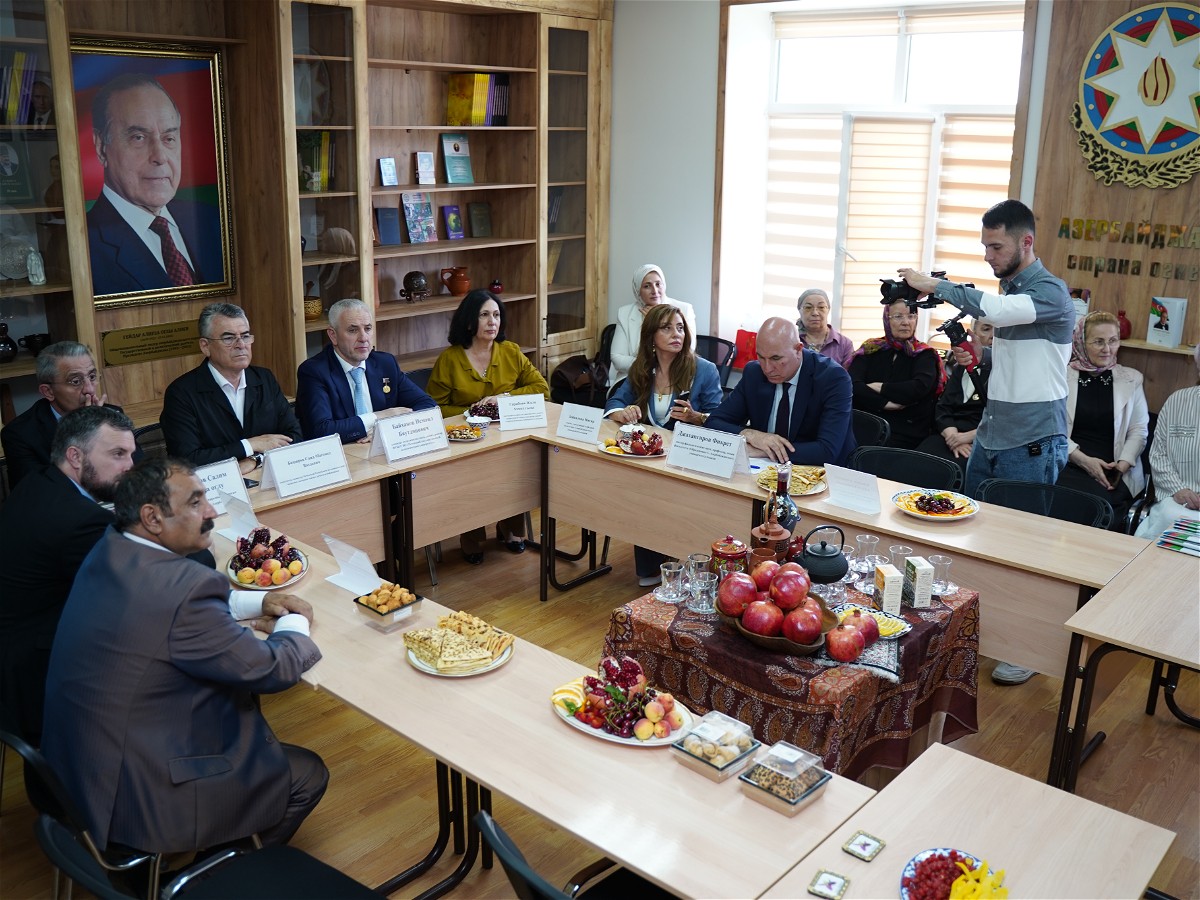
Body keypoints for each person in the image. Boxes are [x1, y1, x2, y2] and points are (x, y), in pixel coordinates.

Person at [41, 458, 327, 854]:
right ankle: (208, 879)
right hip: (139, 793)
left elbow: (169, 609)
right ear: (153, 518)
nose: (210, 512)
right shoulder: (185, 588)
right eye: (196, 503)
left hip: (82, 768)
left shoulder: (111, 548)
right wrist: (294, 621)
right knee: (306, 774)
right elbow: (271, 671)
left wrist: (254, 602)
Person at [899, 198, 1074, 687]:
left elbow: (995, 308)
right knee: (973, 542)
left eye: (995, 246)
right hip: (994, 437)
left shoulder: (1051, 293)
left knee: (1024, 552)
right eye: (985, 246)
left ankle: (1028, 647)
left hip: (1034, 441)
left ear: (1026, 242)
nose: (988, 255)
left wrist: (936, 286)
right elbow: (1017, 368)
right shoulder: (1013, 289)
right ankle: (973, 635)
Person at [0, 406, 136, 744]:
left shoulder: (39, 482)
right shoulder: (79, 521)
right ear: (75, 456)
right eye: (118, 454)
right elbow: (138, 591)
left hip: (17, 654)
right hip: (44, 683)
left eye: (131, 454)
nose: (130, 467)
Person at [604, 304, 724, 585]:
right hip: (650, 460)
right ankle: (651, 566)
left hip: (688, 460)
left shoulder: (703, 370)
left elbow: (720, 419)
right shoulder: (644, 369)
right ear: (651, 337)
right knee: (640, 488)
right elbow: (614, 402)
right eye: (667, 328)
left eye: (680, 328)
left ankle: (688, 563)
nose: (676, 334)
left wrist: (697, 417)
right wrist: (621, 413)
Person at [428, 290, 550, 562]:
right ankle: (471, 537)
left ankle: (511, 529)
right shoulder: (450, 359)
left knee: (518, 462)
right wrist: (471, 412)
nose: (492, 321)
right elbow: (433, 408)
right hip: (466, 440)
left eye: (496, 315)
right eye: (484, 315)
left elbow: (542, 389)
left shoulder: (510, 351)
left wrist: (503, 399)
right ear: (470, 321)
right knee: (474, 473)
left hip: (508, 435)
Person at [86, 73, 223, 296]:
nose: (160, 156)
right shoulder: (85, 246)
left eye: (169, 138)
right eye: (138, 137)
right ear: (102, 147)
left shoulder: (211, 219)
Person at [161, 302, 302, 474]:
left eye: (245, 336)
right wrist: (250, 445)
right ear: (205, 346)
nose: (240, 344)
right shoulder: (181, 393)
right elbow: (187, 459)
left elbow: (294, 436)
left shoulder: (264, 378)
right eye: (228, 338)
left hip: (264, 476)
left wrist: (255, 460)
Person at [706, 317, 855, 467]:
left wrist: (766, 450)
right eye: (761, 357)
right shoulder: (754, 373)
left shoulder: (833, 378)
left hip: (820, 473)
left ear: (798, 349)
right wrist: (750, 434)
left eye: (776, 358)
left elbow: (827, 451)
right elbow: (714, 422)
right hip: (765, 471)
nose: (767, 368)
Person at [1, 340, 141, 488]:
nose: (89, 390)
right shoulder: (19, 434)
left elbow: (139, 472)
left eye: (92, 377)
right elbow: (37, 491)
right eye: (75, 381)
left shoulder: (112, 414)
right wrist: (83, 433)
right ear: (48, 392)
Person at [295, 298, 436, 443]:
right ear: (333, 335)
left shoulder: (385, 363)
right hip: (342, 454)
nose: (363, 338)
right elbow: (322, 430)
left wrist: (387, 427)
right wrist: (378, 418)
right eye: (353, 330)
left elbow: (428, 406)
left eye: (367, 329)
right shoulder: (314, 372)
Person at [1056, 311, 1148, 528]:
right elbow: (1052, 428)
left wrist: (1120, 467)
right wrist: (1083, 461)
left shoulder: (1132, 379)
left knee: (1097, 506)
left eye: (1113, 341)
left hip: (1115, 472)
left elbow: (1139, 430)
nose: (1107, 349)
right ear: (1080, 342)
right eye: (1098, 342)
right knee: (1062, 501)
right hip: (1069, 463)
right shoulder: (1061, 376)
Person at [848, 301, 946, 449]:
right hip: (866, 425)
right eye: (898, 316)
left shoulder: (925, 354)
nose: (906, 322)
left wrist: (881, 387)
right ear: (887, 319)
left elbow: (918, 388)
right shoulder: (871, 349)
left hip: (908, 431)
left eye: (911, 316)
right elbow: (851, 385)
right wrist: (884, 404)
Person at [1135, 344, 1200, 539]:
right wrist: (1178, 489)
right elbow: (1158, 454)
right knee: (1171, 517)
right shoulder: (1177, 401)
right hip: (1177, 498)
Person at [916, 321, 994, 472]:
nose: (993, 336)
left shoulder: (1006, 374)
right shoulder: (960, 368)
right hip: (949, 435)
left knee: (950, 472)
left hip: (981, 440)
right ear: (973, 334)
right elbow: (943, 407)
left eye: (1000, 331)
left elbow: (1004, 420)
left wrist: (966, 438)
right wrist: (954, 438)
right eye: (986, 329)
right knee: (917, 462)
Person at [608, 264, 698, 387]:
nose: (655, 291)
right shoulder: (625, 313)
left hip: (673, 378)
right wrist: (651, 367)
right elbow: (617, 358)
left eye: (658, 284)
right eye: (647, 286)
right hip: (633, 378)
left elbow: (687, 351)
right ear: (637, 290)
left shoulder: (684, 309)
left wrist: (655, 318)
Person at [796, 288, 854, 367]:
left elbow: (847, 377)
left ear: (828, 310)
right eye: (808, 308)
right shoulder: (790, 341)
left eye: (821, 307)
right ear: (799, 310)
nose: (815, 313)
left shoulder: (844, 344)